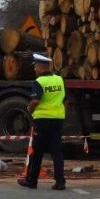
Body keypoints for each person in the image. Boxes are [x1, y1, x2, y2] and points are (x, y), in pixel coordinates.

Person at [18, 52, 67, 190]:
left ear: (41, 67)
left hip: (42, 121)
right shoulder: (59, 80)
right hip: (57, 119)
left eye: (35, 67)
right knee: (57, 152)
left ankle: (32, 180)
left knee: (37, 152)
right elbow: (65, 100)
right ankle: (60, 182)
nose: (34, 69)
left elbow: (35, 100)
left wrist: (29, 109)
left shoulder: (39, 82)